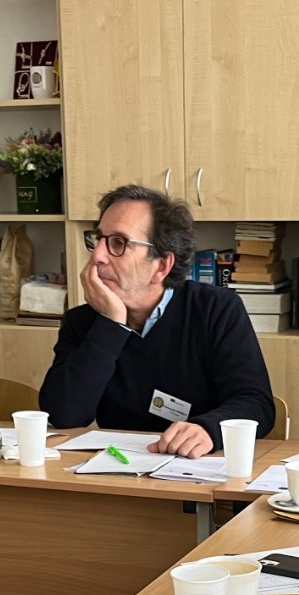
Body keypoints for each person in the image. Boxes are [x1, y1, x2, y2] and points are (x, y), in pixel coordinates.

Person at [38, 184, 275, 457]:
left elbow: (256, 404)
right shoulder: (84, 322)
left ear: (161, 265)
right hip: (118, 469)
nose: (97, 256)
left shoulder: (215, 309)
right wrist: (112, 325)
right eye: (99, 239)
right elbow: (64, 414)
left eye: (118, 243)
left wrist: (208, 430)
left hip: (197, 468)